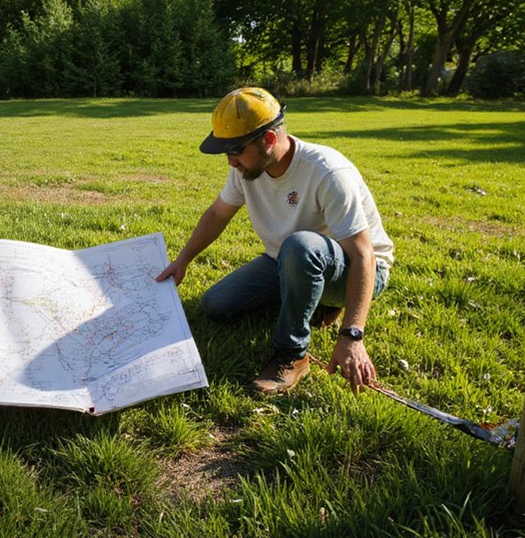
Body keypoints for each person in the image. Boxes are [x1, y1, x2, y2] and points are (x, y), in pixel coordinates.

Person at [157, 88, 394, 394]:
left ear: (268, 140)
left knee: (300, 246)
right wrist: (182, 260)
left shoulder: (328, 172)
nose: (231, 162)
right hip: (288, 259)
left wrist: (352, 335)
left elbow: (364, 255)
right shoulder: (246, 169)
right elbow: (217, 214)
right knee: (216, 305)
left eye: (236, 151)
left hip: (353, 269)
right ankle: (315, 304)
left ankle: (292, 354)